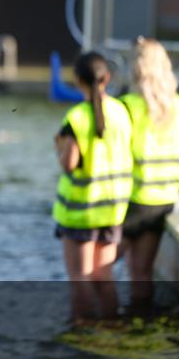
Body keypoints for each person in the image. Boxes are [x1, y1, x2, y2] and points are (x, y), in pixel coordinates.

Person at [52, 52, 133, 323]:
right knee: (104, 278)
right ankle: (111, 328)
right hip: (112, 210)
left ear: (77, 82)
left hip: (81, 212)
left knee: (80, 278)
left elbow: (69, 164)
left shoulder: (77, 117)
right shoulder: (122, 112)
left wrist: (59, 148)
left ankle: (83, 333)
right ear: (106, 78)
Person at [118, 37, 179, 311]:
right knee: (142, 273)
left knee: (95, 269)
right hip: (162, 201)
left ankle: (99, 327)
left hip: (132, 201)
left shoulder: (128, 106)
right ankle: (142, 323)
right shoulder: (178, 107)